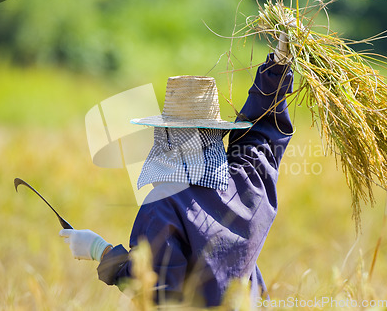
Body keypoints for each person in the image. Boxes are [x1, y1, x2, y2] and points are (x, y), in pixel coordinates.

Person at [60, 36, 294, 307]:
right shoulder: (248, 182)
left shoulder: (163, 203)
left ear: (168, 137)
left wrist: (99, 250)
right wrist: (277, 68)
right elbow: (263, 134)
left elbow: (156, 290)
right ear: (216, 134)